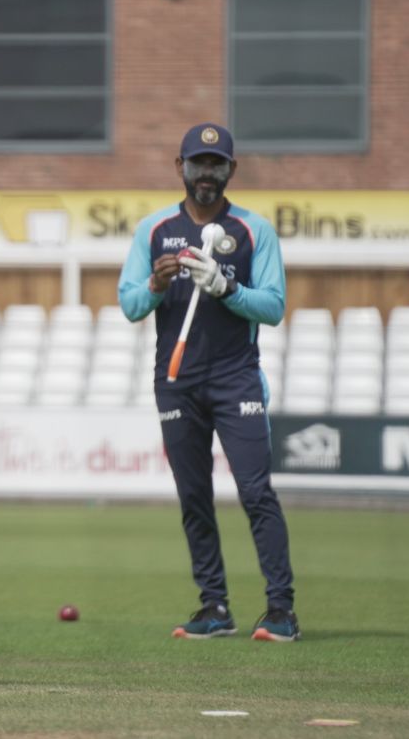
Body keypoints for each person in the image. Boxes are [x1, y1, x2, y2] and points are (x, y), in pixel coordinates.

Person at [118, 122, 300, 643]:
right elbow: (130, 304)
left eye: (217, 166)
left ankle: (282, 609)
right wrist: (156, 283)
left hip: (235, 377)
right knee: (193, 495)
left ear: (231, 171)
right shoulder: (154, 231)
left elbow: (274, 307)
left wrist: (225, 286)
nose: (207, 175)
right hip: (175, 380)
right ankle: (214, 606)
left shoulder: (252, 231)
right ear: (181, 168)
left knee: (255, 491)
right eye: (198, 164)